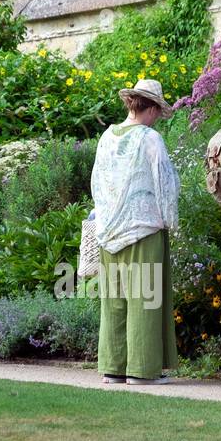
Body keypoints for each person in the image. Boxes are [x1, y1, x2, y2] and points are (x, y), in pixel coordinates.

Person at [91, 78, 180, 385]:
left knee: (114, 301)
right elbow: (165, 183)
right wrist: (171, 221)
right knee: (145, 299)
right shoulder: (150, 138)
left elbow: (96, 184)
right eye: (157, 110)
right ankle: (142, 371)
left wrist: (103, 220)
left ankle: (113, 369)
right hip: (143, 229)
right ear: (151, 107)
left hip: (109, 232)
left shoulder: (107, 136)